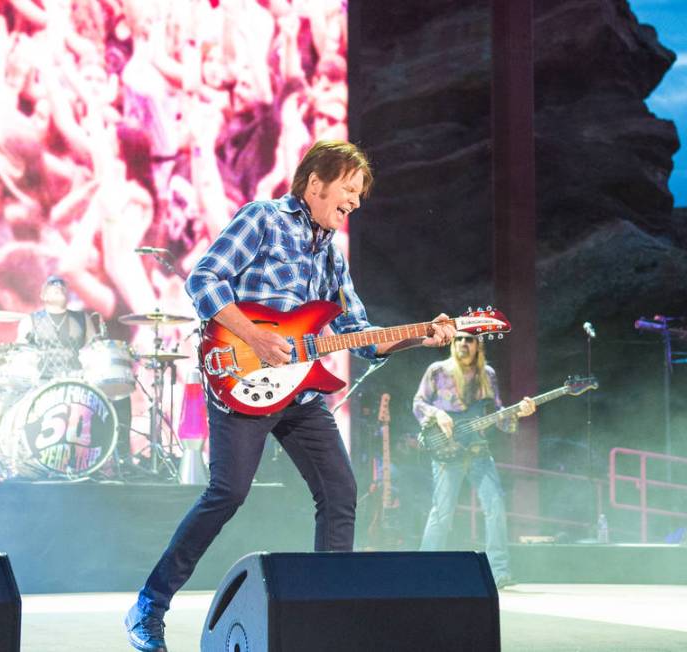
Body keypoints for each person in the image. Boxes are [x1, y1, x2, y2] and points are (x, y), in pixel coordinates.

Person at [125, 140, 456, 652]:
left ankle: (328, 616)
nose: (357, 202)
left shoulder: (333, 256)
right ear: (315, 183)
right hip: (240, 377)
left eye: (361, 195)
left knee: (341, 493)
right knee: (227, 494)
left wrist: (421, 335)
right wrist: (255, 336)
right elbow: (203, 279)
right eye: (349, 189)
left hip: (300, 394)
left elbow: (361, 334)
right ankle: (150, 604)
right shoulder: (263, 218)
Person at [412, 332, 536, 589]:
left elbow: (498, 417)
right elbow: (418, 403)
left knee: (496, 507)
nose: (463, 344)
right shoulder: (438, 370)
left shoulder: (487, 375)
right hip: (448, 452)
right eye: (458, 339)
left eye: (469, 340)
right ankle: (424, 569)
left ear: (478, 345)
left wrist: (518, 414)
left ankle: (498, 573)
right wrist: (437, 414)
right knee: (441, 513)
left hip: (479, 451)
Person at [16, 275, 95, 379]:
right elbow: (19, 354)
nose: (59, 286)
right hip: (42, 385)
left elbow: (95, 351)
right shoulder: (29, 321)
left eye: (63, 285)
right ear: (43, 296)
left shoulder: (83, 319)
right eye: (52, 285)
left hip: (77, 383)